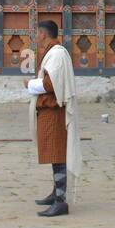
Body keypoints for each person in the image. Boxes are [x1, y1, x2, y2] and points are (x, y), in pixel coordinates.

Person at [25, 20, 80, 217]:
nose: (35, 37)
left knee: (57, 154)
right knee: (53, 153)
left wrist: (30, 84)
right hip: (49, 110)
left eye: (37, 33)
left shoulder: (56, 53)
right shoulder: (53, 52)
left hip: (54, 111)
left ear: (43, 34)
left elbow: (50, 84)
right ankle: (56, 193)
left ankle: (61, 200)